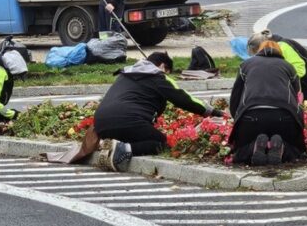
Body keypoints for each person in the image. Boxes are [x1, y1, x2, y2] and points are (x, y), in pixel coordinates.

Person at [94, 51, 224, 171]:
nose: (166, 75)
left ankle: (105, 144)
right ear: (162, 67)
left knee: (134, 133)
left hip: (100, 124)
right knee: (160, 142)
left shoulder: (125, 74)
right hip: (128, 121)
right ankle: (125, 149)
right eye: (167, 72)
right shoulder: (157, 76)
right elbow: (184, 99)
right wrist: (215, 113)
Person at [229, 41, 306, 166]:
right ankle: (282, 148)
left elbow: (235, 96)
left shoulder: (245, 65)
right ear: (280, 52)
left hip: (251, 116)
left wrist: (236, 120)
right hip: (284, 116)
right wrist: (300, 124)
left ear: (258, 50)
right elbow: (298, 98)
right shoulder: (288, 66)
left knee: (239, 151)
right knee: (297, 151)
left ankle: (254, 146)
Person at [248, 29, 307, 102]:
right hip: (305, 86)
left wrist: (282, 79)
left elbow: (300, 69)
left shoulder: (283, 46)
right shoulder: (275, 48)